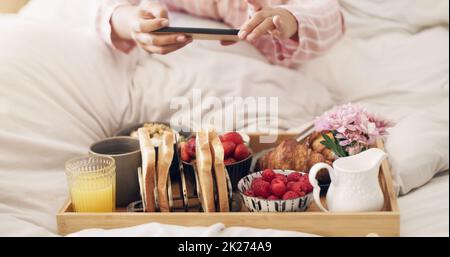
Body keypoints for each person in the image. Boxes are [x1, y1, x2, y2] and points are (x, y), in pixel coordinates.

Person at [97, 0, 345, 68]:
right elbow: (106, 9)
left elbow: (330, 16)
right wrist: (132, 22)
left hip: (279, 68)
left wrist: (289, 20)